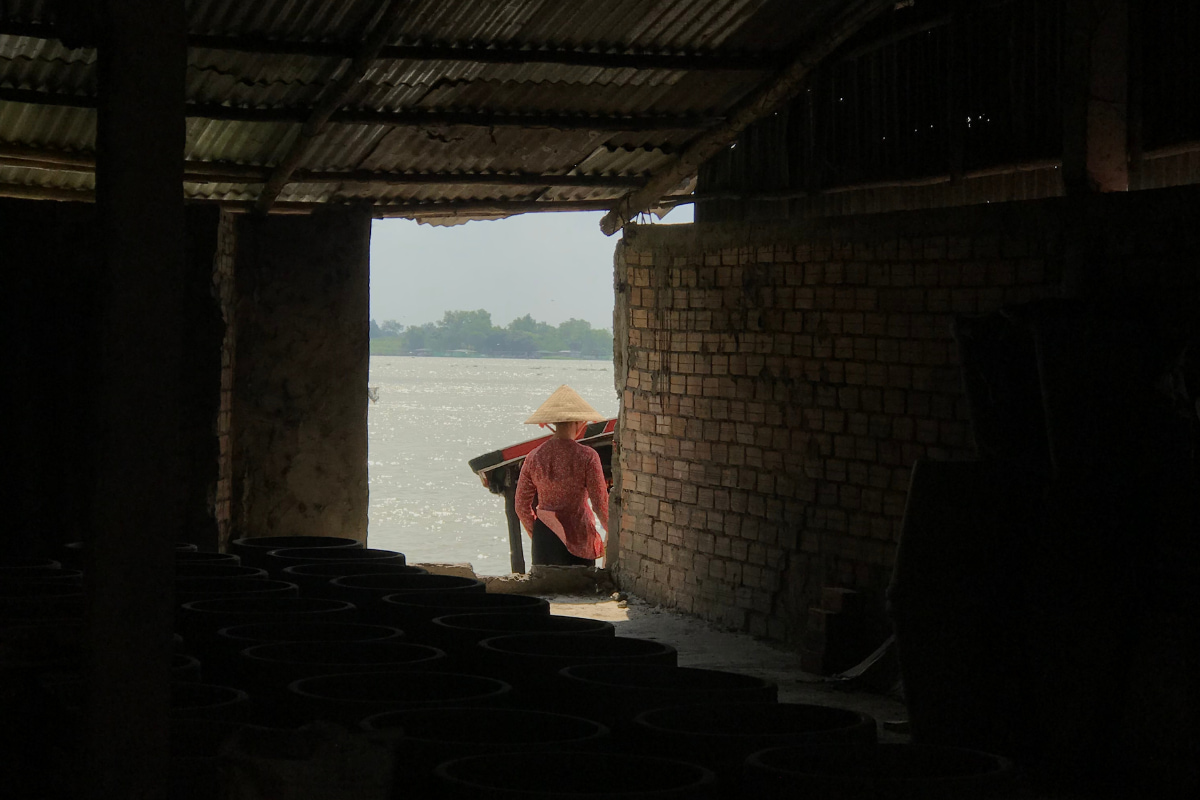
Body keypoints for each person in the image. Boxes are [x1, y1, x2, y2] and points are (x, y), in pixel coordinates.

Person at [514, 385, 609, 566]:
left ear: (553, 423)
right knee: (580, 592)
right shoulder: (587, 456)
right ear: (578, 422)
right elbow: (599, 503)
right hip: (579, 535)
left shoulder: (534, 456)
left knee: (546, 592)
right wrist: (611, 530)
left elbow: (521, 506)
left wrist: (538, 532)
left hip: (545, 537)